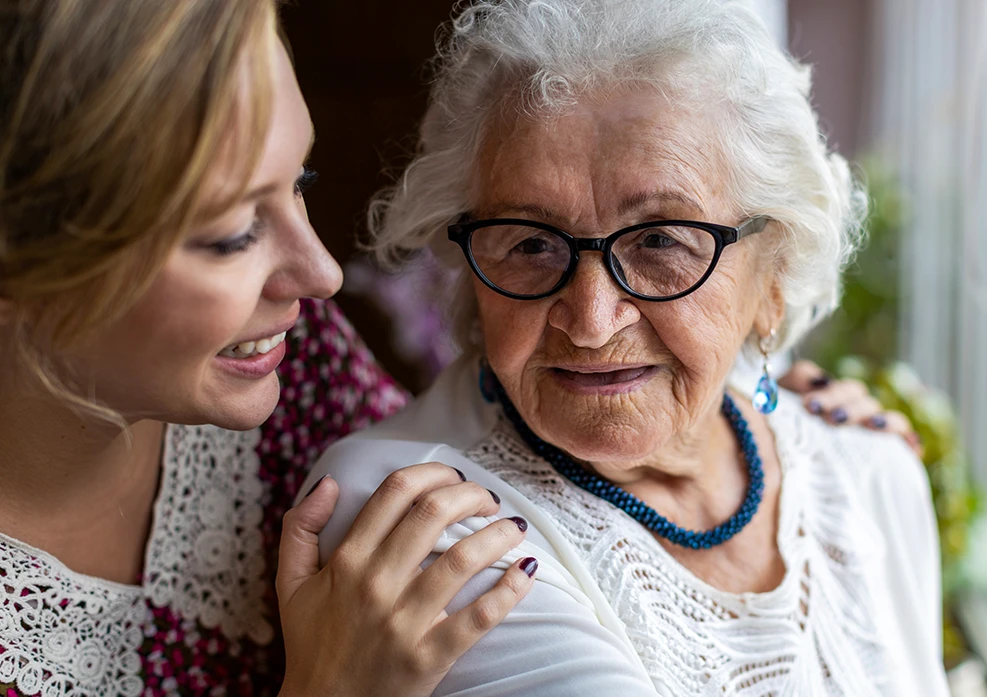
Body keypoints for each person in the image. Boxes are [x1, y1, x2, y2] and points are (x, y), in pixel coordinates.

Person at [0, 2, 918, 696]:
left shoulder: (280, 359)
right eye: (233, 231)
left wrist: (749, 387)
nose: (323, 275)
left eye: (664, 243)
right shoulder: (429, 518)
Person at [304, 0, 950, 695]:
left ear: (774, 277)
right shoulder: (416, 515)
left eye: (660, 241)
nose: (590, 319)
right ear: (467, 270)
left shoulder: (871, 473)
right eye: (530, 242)